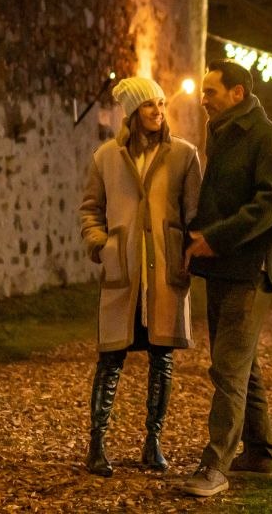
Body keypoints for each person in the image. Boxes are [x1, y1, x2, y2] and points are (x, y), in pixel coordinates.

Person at [180, 60, 272, 498]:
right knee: (241, 365)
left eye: (210, 91)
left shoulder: (266, 140)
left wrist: (217, 237)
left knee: (228, 367)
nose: (202, 98)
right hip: (223, 266)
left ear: (238, 94)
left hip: (249, 269)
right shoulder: (224, 133)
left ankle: (215, 466)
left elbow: (271, 203)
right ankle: (259, 453)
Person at [77, 77, 202, 477]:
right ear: (132, 112)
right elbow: (90, 209)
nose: (158, 111)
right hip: (124, 271)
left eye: (162, 104)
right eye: (149, 105)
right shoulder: (106, 158)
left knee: (161, 359)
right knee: (110, 358)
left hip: (164, 274)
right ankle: (96, 445)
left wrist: (188, 254)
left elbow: (194, 214)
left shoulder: (184, 156)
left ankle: (153, 442)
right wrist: (101, 244)